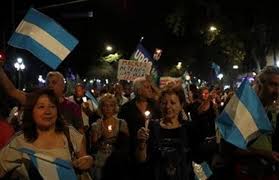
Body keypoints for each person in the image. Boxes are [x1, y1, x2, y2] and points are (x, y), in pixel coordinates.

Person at [0, 89, 93, 179]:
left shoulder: (70, 133)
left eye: (52, 106)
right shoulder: (18, 142)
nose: (48, 112)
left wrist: (88, 160)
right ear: (31, 111)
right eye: (41, 107)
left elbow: (83, 160)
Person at [226, 66, 279, 179]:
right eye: (272, 85)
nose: (277, 91)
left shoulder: (271, 108)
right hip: (245, 172)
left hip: (265, 170)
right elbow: (230, 149)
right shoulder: (244, 107)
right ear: (260, 85)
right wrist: (263, 153)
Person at [136, 87, 200, 180]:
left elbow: (197, 159)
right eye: (164, 103)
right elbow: (141, 159)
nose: (168, 106)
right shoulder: (150, 127)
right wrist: (141, 143)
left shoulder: (189, 128)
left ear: (181, 105)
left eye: (173, 103)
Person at [0, 65, 83, 133]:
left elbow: (80, 134)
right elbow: (12, 91)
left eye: (54, 82)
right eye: (48, 83)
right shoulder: (36, 101)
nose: (50, 85)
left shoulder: (73, 107)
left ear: (63, 86)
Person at [91, 93, 129, 180]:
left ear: (114, 107)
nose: (108, 109)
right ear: (101, 107)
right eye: (105, 106)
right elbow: (93, 147)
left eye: (111, 105)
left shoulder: (121, 123)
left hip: (117, 162)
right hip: (101, 161)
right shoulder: (96, 125)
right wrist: (97, 138)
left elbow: (126, 144)